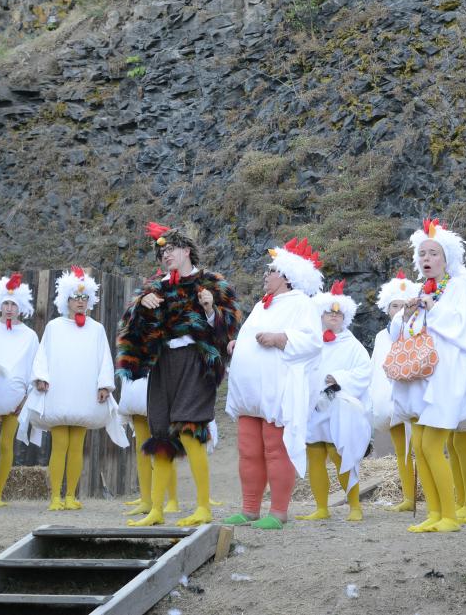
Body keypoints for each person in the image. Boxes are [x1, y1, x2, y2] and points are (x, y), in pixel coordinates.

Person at [117, 223, 240, 527]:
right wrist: (141, 306)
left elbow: (231, 326)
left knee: (189, 429)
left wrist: (210, 310)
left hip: (196, 360)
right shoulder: (154, 287)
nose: (165, 255)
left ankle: (203, 507)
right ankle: (156, 511)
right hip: (163, 362)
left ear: (186, 250)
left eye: (171, 249)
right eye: (162, 252)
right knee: (160, 434)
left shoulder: (212, 283)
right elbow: (130, 327)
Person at [391, 218, 466, 533]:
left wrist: (431, 307)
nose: (426, 259)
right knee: (420, 445)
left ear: (446, 259)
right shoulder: (423, 288)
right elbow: (411, 330)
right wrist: (408, 314)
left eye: (433, 253)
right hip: (427, 376)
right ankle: (434, 512)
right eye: (422, 253)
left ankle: (449, 515)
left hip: (448, 376)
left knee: (432, 445)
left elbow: (461, 327)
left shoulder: (458, 286)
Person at [224, 237, 324, 530]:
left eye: (272, 270)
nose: (266, 275)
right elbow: (253, 335)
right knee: (248, 450)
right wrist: (238, 344)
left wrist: (281, 338)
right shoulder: (261, 305)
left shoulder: (302, 304)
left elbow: (312, 341)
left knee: (275, 449)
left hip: (276, 391)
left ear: (287, 276)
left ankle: (278, 511)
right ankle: (249, 508)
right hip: (250, 395)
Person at [20, 266, 127, 510]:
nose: (80, 302)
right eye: (76, 297)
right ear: (66, 300)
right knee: (59, 445)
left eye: (84, 297)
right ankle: (55, 497)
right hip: (58, 392)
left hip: (84, 393)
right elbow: (42, 355)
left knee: (77, 446)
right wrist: (40, 378)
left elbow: (104, 358)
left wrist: (104, 385)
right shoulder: (54, 327)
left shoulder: (97, 329)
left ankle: (70, 495)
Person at [300, 280, 372, 522]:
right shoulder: (311, 341)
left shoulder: (353, 346)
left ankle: (355, 506)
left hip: (338, 407)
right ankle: (321, 507)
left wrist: (339, 378)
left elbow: (365, 372)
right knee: (314, 454)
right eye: (329, 312)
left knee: (339, 454)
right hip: (313, 406)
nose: (334, 316)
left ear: (345, 317)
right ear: (320, 315)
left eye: (338, 313)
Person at [0, 273, 38, 509]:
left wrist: (25, 399)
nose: (9, 308)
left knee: (6, 444)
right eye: (6, 303)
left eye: (14, 304)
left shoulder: (30, 336)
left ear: (21, 307)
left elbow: (33, 368)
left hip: (15, 400)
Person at [367, 270, 420, 512]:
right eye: (394, 306)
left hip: (413, 401)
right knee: (402, 451)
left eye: (403, 305)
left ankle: (431, 498)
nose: (399, 310)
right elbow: (376, 369)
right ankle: (408, 498)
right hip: (390, 404)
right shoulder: (381, 336)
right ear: (387, 309)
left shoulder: (417, 331)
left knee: (421, 449)